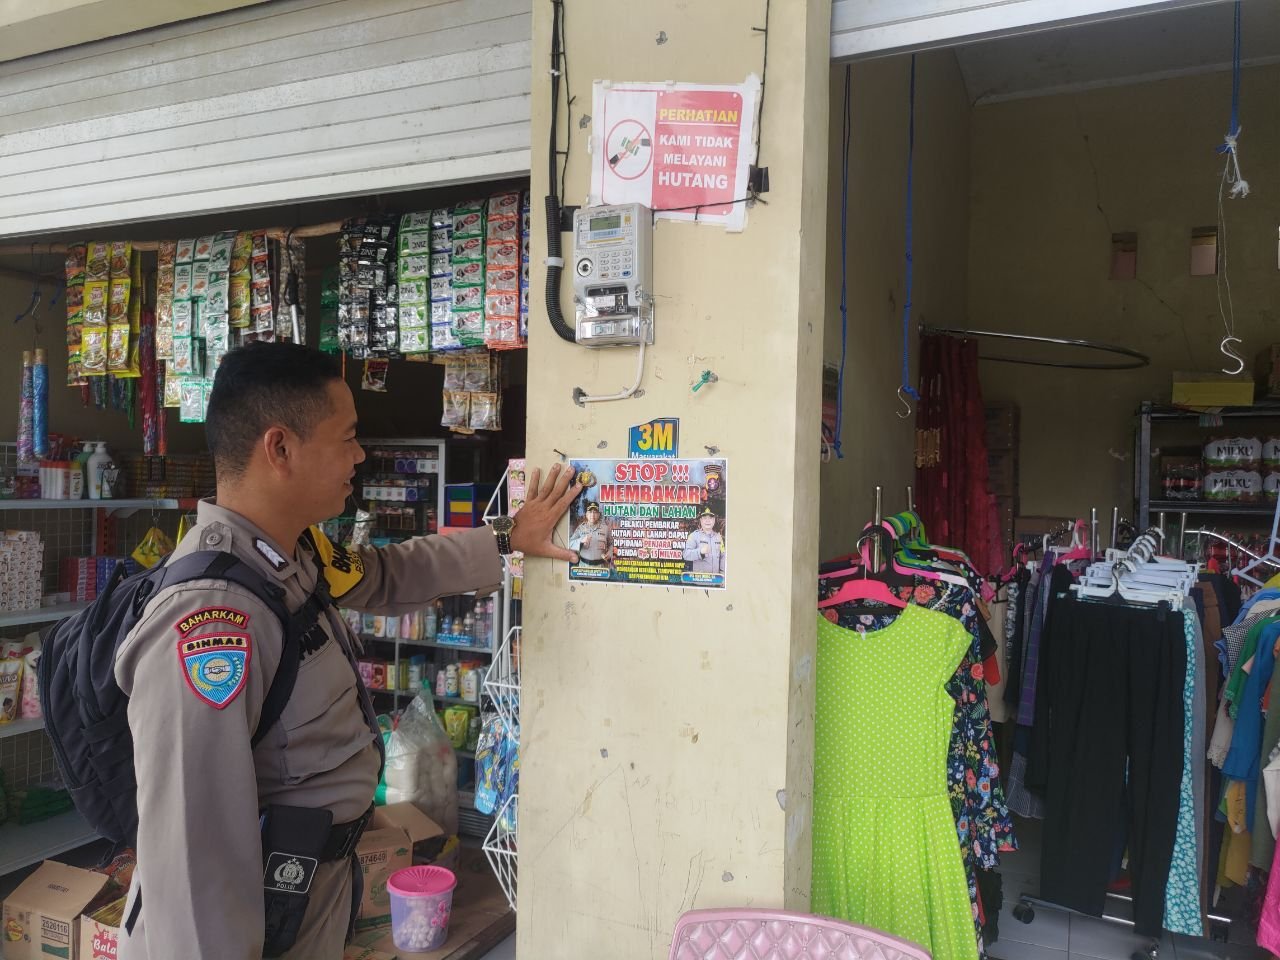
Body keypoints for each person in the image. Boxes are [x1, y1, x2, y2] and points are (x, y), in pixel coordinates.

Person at [114, 343, 581, 960]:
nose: (360, 455)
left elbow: (383, 575)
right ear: (280, 449)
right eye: (348, 437)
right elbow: (191, 856)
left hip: (308, 899)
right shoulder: (210, 619)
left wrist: (507, 537)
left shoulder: (292, 553)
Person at [568, 500, 613, 566]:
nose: (592, 515)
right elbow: (570, 543)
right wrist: (581, 541)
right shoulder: (581, 528)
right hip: (584, 566)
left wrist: (610, 552)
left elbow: (611, 544)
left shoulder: (605, 528)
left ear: (598, 514)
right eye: (590, 512)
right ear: (586, 514)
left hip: (601, 566)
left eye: (595, 512)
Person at [682, 506, 725, 574]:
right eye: (705, 518)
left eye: (710, 518)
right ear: (701, 520)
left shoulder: (718, 537)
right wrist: (700, 552)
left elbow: (723, 557)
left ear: (714, 520)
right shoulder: (694, 536)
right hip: (699, 579)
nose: (708, 521)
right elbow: (686, 555)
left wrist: (723, 575)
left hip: (716, 579)